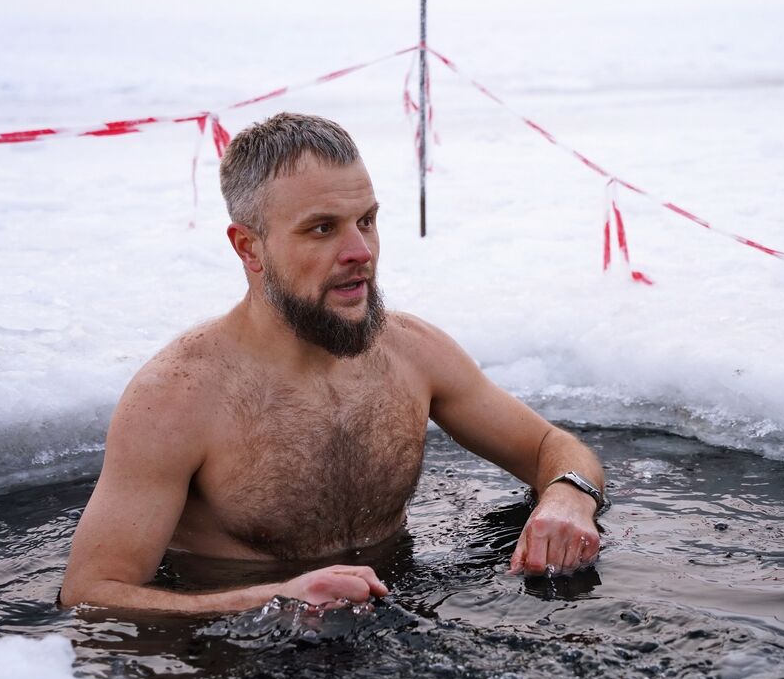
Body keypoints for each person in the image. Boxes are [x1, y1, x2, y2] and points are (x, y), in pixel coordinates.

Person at [60, 113, 606, 613]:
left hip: (399, 616)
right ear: (249, 247)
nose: (360, 251)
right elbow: (90, 593)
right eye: (322, 228)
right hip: (244, 656)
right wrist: (273, 600)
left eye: (366, 220)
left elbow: (550, 446)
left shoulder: (411, 351)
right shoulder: (178, 397)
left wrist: (568, 497)